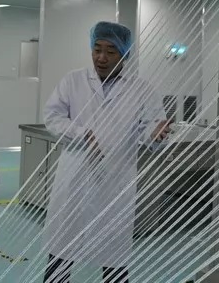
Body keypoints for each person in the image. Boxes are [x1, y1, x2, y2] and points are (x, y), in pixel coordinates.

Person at [42, 21, 171, 283]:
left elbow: (150, 129)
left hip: (115, 183)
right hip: (74, 181)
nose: (101, 57)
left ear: (125, 54)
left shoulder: (142, 89)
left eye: (111, 51)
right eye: (97, 49)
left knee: (114, 261)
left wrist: (156, 135)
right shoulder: (73, 81)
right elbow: (52, 117)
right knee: (60, 256)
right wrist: (82, 134)